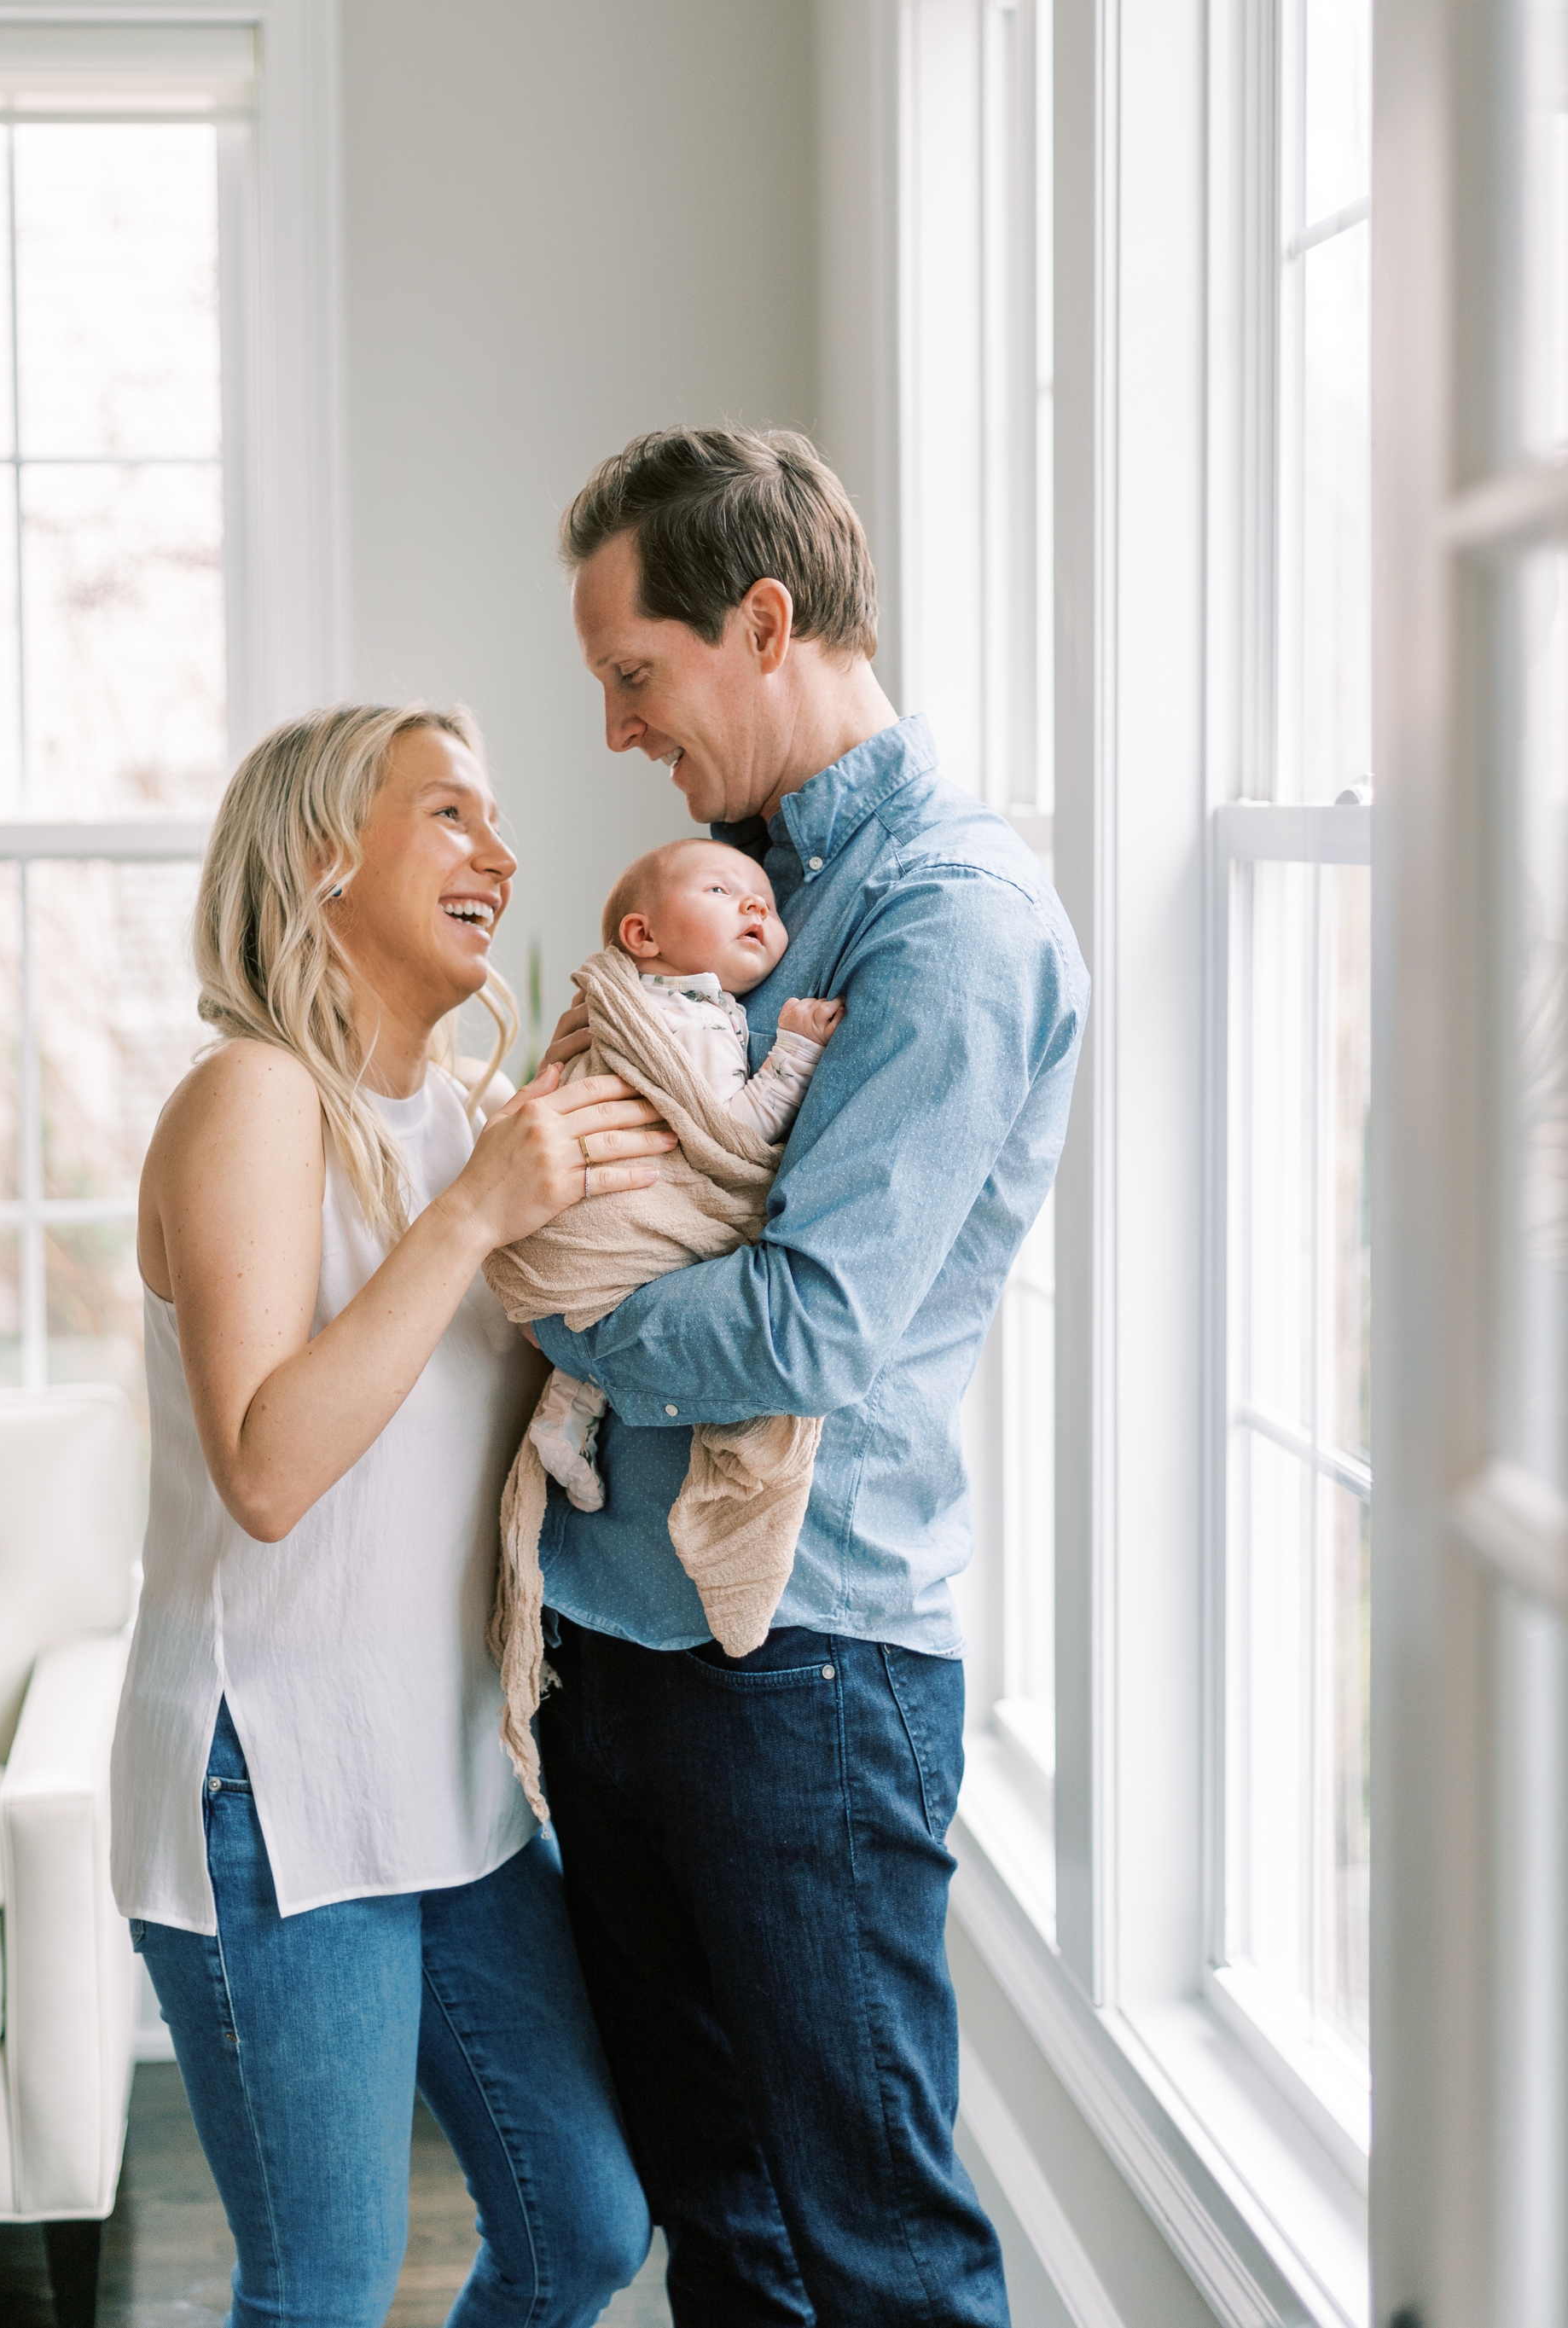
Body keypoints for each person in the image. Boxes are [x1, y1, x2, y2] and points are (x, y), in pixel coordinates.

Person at [530, 428, 1090, 2328]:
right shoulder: (709, 898)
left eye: (635, 675)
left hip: (809, 1672)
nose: (615, 729)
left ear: (763, 622)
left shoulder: (950, 918)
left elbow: (805, 1323)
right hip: (617, 1636)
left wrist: (554, 1306)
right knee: (725, 2220)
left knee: (876, 2254)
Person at [110, 703, 671, 2328]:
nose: (498, 850)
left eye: (496, 819)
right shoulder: (254, 1096)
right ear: (319, 855)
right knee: (326, 2285)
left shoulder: (461, 1125)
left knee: (580, 2221)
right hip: (268, 1779)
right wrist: (479, 1210)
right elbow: (269, 1471)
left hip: (449, 1775)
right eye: (447, 812)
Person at [528, 833, 844, 1513]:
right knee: (649, 1268)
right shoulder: (691, 1016)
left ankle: (565, 1409)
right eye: (721, 890)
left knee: (618, 1290)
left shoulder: (664, 1002)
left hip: (617, 1190)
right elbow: (727, 1134)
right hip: (638, 1191)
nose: (755, 901)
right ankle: (566, 1411)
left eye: (762, 897)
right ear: (641, 934)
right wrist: (793, 1054)